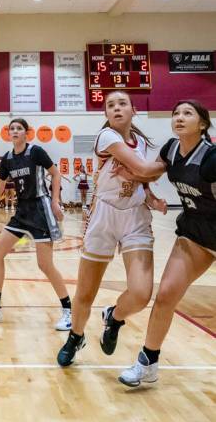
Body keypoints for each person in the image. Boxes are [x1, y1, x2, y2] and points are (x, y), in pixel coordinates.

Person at [57, 91, 166, 367]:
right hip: (104, 215)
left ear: (134, 110)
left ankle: (114, 317)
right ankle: (75, 336)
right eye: (110, 105)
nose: (116, 108)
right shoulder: (107, 137)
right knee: (85, 292)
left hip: (136, 216)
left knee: (141, 294)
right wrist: (172, 158)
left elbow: (142, 176)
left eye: (122, 104)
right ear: (106, 114)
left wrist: (150, 195)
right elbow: (143, 168)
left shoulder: (139, 141)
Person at [118, 99, 216, 387]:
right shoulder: (171, 150)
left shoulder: (211, 159)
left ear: (203, 124)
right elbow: (148, 171)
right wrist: (123, 167)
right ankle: (148, 362)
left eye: (188, 113)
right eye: (175, 113)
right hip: (195, 234)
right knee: (165, 296)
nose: (179, 117)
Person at [0, 118, 70, 329]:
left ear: (26, 133)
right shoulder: (7, 159)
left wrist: (55, 201)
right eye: (11, 129)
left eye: (19, 128)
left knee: (45, 265)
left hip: (40, 210)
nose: (14, 131)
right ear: (8, 134)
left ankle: (68, 310)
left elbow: (55, 173)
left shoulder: (36, 152)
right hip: (22, 211)